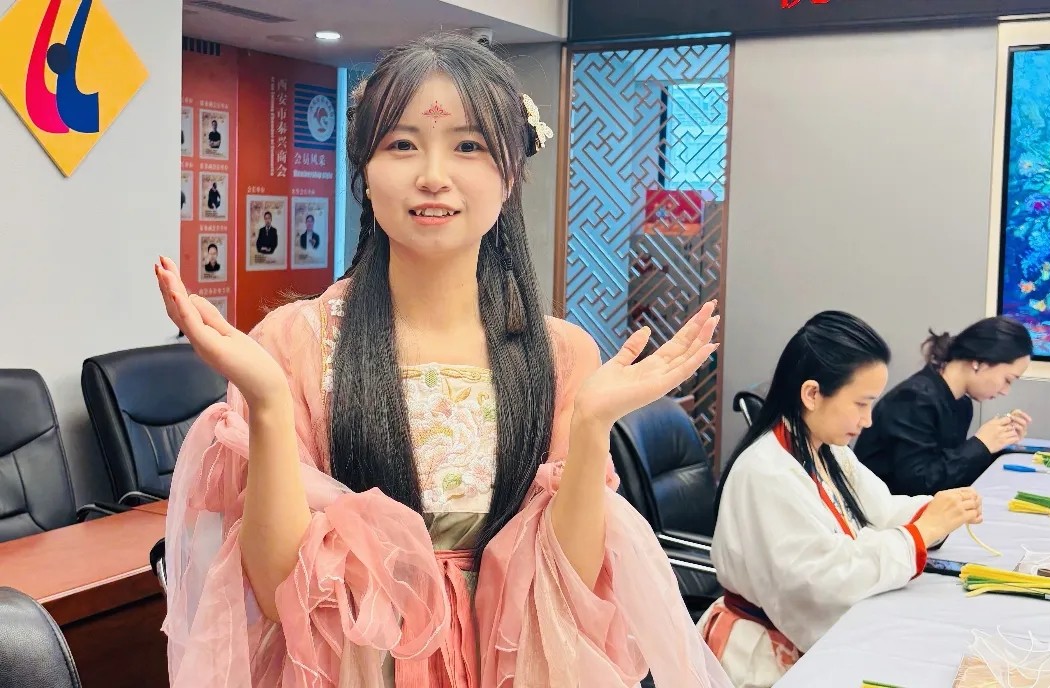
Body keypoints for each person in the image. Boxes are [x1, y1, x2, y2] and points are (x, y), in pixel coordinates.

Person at [155, 34, 733, 688]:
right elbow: (275, 589)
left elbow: (568, 594)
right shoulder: (295, 341)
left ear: (509, 175)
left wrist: (593, 423)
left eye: (468, 146)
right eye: (403, 145)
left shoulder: (560, 354)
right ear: (365, 172)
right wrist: (265, 402)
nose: (433, 175)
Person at [699, 311, 983, 687]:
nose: (868, 420)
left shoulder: (827, 448)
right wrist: (920, 534)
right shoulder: (767, 471)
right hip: (761, 657)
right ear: (812, 394)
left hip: (791, 637)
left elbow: (880, 511)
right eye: (861, 404)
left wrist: (936, 511)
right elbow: (821, 581)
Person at [855, 316, 1033, 496]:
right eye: (1007, 380)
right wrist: (981, 444)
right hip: (884, 507)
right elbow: (918, 484)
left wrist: (998, 442)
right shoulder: (914, 399)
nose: (1005, 391)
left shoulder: (962, 403)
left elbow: (950, 473)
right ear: (979, 362)